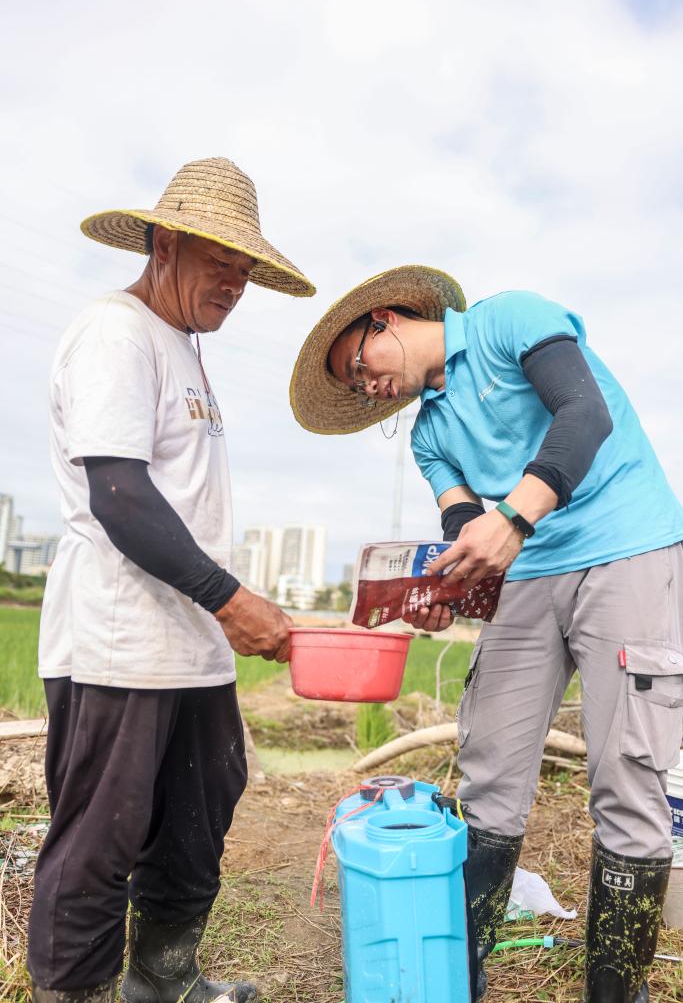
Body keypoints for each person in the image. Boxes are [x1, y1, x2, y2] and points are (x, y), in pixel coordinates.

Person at [289, 265, 683, 1003]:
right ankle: (453, 979)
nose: (363, 386)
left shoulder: (511, 319)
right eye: (350, 387)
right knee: (491, 769)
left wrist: (515, 518)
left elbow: (582, 415)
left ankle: (615, 992)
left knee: (627, 776)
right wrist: (448, 589)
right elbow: (462, 527)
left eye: (357, 366)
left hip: (626, 546)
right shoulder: (429, 437)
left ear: (386, 319)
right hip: (527, 571)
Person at [28, 157, 315, 1003]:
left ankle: (164, 977)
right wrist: (232, 599)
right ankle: (75, 993)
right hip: (120, 639)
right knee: (99, 841)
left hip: (190, 639)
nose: (234, 282)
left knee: (199, 814)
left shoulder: (182, 344)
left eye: (245, 269)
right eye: (218, 260)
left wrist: (227, 604)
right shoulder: (115, 331)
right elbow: (118, 495)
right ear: (162, 244)